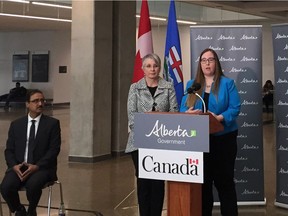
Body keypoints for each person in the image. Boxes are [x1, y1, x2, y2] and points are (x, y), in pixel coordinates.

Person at [180, 48, 241, 216]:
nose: (207, 63)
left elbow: (235, 108)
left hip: (223, 140)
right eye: (204, 60)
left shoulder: (227, 83)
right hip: (199, 142)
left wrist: (219, 117)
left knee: (225, 183)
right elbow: (183, 107)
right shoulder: (192, 85)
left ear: (216, 63)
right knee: (203, 184)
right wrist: (187, 113)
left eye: (211, 60)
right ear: (200, 64)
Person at [126, 53, 178, 216]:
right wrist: (146, 125)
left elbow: (174, 111)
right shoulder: (135, 87)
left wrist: (159, 121)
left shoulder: (168, 86)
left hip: (161, 142)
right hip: (139, 142)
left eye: (155, 65)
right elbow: (131, 115)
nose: (152, 69)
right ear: (143, 69)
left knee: (157, 183)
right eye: (148, 66)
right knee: (143, 183)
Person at [0, 89, 61, 216]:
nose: (40, 104)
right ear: (27, 104)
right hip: (20, 167)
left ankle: (31, 211)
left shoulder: (52, 124)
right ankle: (19, 209)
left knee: (33, 185)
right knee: (6, 187)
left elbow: (54, 150)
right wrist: (14, 166)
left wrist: (37, 166)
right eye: (35, 101)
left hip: (41, 168)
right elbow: (9, 150)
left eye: (42, 100)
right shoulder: (16, 124)